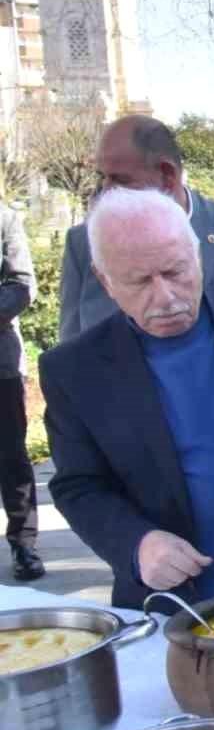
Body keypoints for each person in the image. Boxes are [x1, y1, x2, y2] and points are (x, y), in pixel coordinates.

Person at [42, 188, 214, 610]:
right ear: (105, 280)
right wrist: (137, 544)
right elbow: (79, 485)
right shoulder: (75, 370)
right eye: (139, 281)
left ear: (197, 255)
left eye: (176, 272)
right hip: (182, 608)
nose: (165, 297)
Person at [59, 116, 214, 341]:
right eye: (102, 178)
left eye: (121, 180)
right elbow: (72, 344)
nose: (106, 191)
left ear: (167, 175)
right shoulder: (85, 242)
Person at [0, 207, 43, 583]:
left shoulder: (5, 218)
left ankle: (24, 543)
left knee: (10, 455)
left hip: (0, 362)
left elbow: (21, 284)